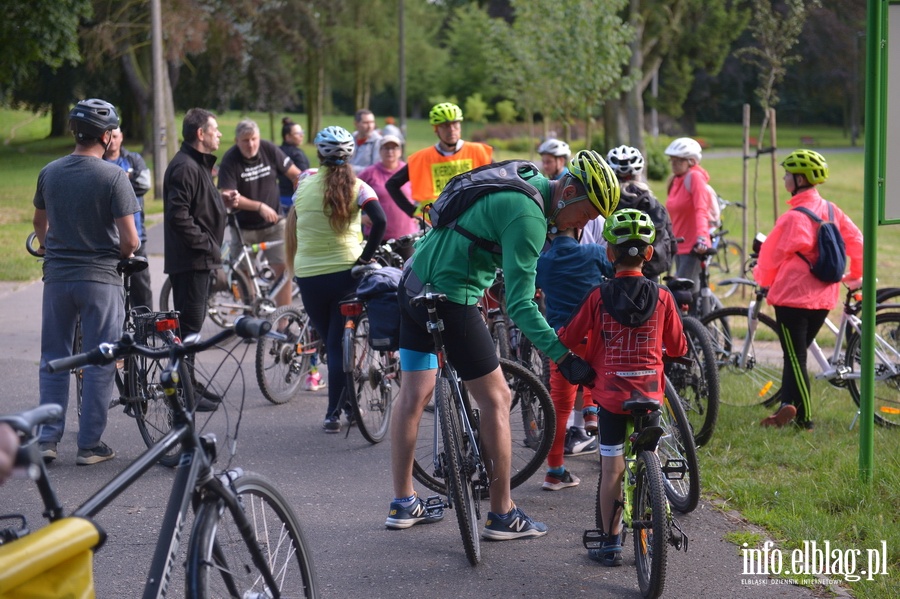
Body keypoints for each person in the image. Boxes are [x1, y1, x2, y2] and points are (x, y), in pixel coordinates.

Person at [385, 150, 619, 542]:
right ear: (570, 191)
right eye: (588, 213)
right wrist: (563, 356)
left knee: (412, 394)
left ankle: (403, 503)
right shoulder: (529, 218)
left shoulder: (524, 176)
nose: (585, 225)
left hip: (412, 286)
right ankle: (502, 513)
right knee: (497, 398)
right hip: (451, 298)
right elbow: (521, 305)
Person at [557, 209, 687, 566]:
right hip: (649, 393)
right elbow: (678, 348)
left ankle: (611, 542)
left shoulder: (597, 297)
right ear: (649, 254)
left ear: (609, 253)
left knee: (611, 467)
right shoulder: (663, 298)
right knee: (652, 449)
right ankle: (655, 490)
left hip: (611, 396)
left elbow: (568, 337)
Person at [33, 99, 140, 465]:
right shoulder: (113, 176)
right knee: (100, 359)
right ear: (108, 137)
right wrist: (121, 252)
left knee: (54, 357)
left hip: (58, 279)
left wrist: (52, 247)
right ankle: (90, 445)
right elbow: (130, 240)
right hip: (100, 280)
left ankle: (47, 439)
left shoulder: (50, 171)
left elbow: (38, 224)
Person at [285, 126, 387, 432]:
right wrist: (367, 257)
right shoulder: (360, 187)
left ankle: (340, 406)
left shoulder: (304, 180)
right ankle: (336, 410)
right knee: (340, 338)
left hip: (309, 274)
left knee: (330, 339)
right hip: (348, 273)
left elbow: (297, 215)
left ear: (318, 153)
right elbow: (380, 221)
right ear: (351, 154)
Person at [753, 149, 863, 430]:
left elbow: (769, 256)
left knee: (795, 356)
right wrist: (856, 274)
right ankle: (787, 405)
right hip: (825, 298)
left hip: (792, 299)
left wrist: (763, 282)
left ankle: (805, 419)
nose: (784, 178)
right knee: (796, 354)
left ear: (800, 179)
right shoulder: (831, 210)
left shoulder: (793, 218)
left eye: (788, 174)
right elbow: (858, 242)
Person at [163, 109, 240, 410]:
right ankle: (183, 392)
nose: (219, 134)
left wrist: (219, 200)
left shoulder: (197, 165)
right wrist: (207, 246)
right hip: (192, 261)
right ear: (201, 134)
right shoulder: (184, 167)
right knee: (188, 330)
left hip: (199, 260)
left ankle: (188, 383)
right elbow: (178, 215)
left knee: (191, 329)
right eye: (215, 129)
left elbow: (195, 205)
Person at [535, 227, 613, 491]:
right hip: (595, 336)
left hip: (561, 342)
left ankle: (554, 472)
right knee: (602, 381)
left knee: (559, 407)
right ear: (579, 230)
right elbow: (615, 277)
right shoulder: (594, 252)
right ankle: (591, 411)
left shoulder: (543, 262)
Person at [218, 119, 301, 310]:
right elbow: (230, 197)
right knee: (243, 272)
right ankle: (251, 316)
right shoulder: (230, 160)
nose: (251, 144)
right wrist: (259, 206)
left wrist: (305, 189)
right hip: (244, 227)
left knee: (282, 270)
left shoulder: (268, 149)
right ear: (236, 140)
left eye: (254, 139)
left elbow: (295, 174)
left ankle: (283, 321)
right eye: (245, 140)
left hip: (275, 224)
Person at [385, 102, 493, 218]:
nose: (451, 130)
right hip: (435, 226)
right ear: (436, 129)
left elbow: (500, 180)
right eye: (445, 125)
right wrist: (412, 211)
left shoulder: (478, 152)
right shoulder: (421, 158)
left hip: (472, 220)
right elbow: (392, 184)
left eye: (455, 124)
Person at [607, 145, 677, 281]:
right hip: (649, 272)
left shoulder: (606, 203)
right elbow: (671, 241)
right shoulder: (652, 204)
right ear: (638, 174)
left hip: (614, 271)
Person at [104, 127, 154, 309]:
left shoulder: (133, 159)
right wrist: (124, 180)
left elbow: (144, 184)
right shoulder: (98, 161)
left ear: (121, 137)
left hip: (136, 235)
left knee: (142, 287)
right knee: (110, 288)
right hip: (108, 237)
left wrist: (119, 183)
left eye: (116, 136)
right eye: (110, 137)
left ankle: (146, 328)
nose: (113, 141)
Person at [664, 137, 714, 293]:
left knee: (682, 292)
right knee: (687, 292)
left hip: (693, 246)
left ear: (691, 161)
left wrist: (702, 237)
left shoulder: (695, 178)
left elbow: (701, 209)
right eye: (672, 160)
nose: (673, 164)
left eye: (678, 161)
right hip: (678, 244)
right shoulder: (676, 180)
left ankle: (698, 318)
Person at [358, 134, 419, 260]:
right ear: (379, 151)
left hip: (407, 236)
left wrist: (419, 213)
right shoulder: (369, 172)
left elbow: (423, 191)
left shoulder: (409, 170)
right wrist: (360, 217)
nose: (390, 151)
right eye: (386, 148)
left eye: (394, 148)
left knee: (408, 275)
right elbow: (350, 195)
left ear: (400, 151)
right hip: (377, 236)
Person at [278, 117, 310, 214]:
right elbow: (305, 177)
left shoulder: (277, 151)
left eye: (302, 132)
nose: (302, 135)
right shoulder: (297, 154)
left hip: (279, 198)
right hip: (295, 200)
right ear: (287, 137)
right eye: (298, 133)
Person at [349, 109, 382, 174]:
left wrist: (350, 169)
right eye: (366, 123)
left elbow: (376, 168)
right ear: (356, 124)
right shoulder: (349, 139)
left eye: (372, 122)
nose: (370, 126)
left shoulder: (378, 141)